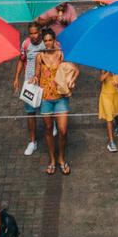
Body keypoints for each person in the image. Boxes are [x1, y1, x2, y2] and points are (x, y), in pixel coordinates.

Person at [33, 31, 74, 175]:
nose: (48, 43)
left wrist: (71, 80)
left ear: (54, 40)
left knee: (63, 130)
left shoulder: (61, 54)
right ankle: (52, 160)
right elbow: (37, 75)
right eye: (45, 41)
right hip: (46, 99)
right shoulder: (40, 56)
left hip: (61, 98)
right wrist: (34, 79)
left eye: (50, 40)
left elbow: (72, 70)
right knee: (48, 129)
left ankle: (61, 158)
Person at [14, 21, 46, 157]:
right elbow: (21, 60)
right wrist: (16, 78)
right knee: (30, 113)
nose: (33, 36)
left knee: (46, 111)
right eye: (31, 33)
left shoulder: (46, 43)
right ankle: (32, 142)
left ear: (40, 32)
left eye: (35, 32)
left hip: (44, 83)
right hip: (30, 84)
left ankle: (52, 130)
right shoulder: (26, 44)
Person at [98, 71, 118, 152]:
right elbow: (101, 79)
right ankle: (111, 142)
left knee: (116, 113)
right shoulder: (104, 70)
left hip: (116, 95)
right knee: (109, 118)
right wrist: (108, 72)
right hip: (106, 96)